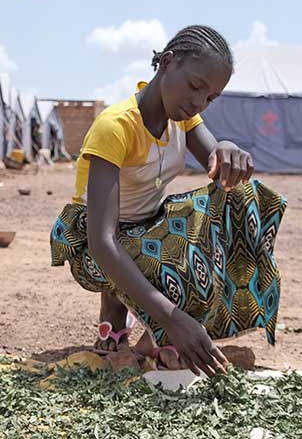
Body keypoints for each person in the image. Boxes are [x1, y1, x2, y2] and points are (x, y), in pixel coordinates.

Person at [50, 25, 287, 377]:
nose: (198, 102)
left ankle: (151, 335)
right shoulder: (115, 126)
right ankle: (124, 313)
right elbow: (102, 242)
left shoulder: (184, 118)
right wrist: (174, 319)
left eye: (210, 98)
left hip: (147, 226)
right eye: (195, 87)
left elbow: (218, 165)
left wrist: (227, 149)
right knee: (174, 261)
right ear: (166, 63)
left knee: (245, 196)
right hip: (93, 242)